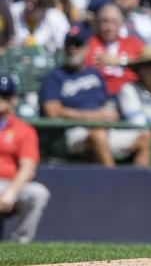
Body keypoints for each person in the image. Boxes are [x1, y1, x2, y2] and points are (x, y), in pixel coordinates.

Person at [40, 27, 127, 166]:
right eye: (69, 44)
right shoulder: (54, 77)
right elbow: (53, 111)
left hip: (105, 128)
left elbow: (107, 103)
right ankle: (116, 184)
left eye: (78, 44)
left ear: (87, 48)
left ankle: (141, 186)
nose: (72, 48)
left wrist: (112, 114)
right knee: (98, 136)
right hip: (74, 131)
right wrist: (93, 116)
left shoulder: (95, 74)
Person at [0, 75, 49, 244]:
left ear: (13, 100)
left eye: (4, 96)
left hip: (10, 184)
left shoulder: (23, 129)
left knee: (38, 192)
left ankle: (19, 242)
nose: (0, 100)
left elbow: (28, 168)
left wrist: (12, 192)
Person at [85, 3, 144, 96]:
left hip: (132, 94)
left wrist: (119, 60)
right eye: (105, 22)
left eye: (114, 22)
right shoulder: (89, 44)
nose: (109, 27)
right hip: (99, 96)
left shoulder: (133, 43)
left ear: (121, 24)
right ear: (97, 24)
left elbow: (147, 62)